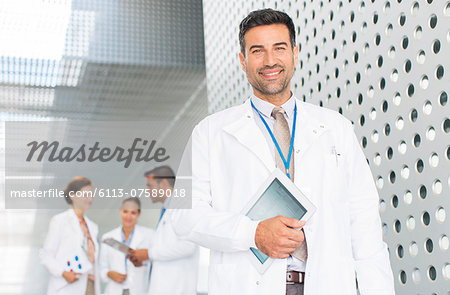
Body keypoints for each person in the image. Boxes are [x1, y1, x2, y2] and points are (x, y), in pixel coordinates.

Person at [171, 8, 395, 295]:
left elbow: (365, 226)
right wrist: (252, 233)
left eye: (279, 48)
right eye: (257, 51)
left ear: (294, 53)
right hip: (247, 285)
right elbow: (182, 215)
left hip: (327, 284)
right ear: (243, 60)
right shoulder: (209, 132)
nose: (269, 61)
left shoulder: (336, 127)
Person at [127, 165, 199, 295]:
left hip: (177, 288)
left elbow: (188, 246)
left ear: (164, 183)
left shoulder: (183, 207)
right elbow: (165, 249)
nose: (147, 191)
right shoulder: (166, 211)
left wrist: (149, 254)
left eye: (150, 186)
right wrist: (145, 259)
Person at [40, 177, 100, 295]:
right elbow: (46, 255)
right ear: (72, 195)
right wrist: (63, 273)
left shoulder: (93, 227)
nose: (90, 198)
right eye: (86, 194)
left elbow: (92, 258)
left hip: (89, 284)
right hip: (67, 285)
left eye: (91, 195)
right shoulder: (60, 221)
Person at [99, 197, 155, 295]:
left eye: (133, 213)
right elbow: (101, 269)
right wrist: (109, 274)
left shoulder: (150, 236)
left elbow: (153, 266)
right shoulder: (108, 237)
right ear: (120, 211)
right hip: (114, 290)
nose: (128, 216)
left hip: (139, 290)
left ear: (139, 214)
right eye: (125, 211)